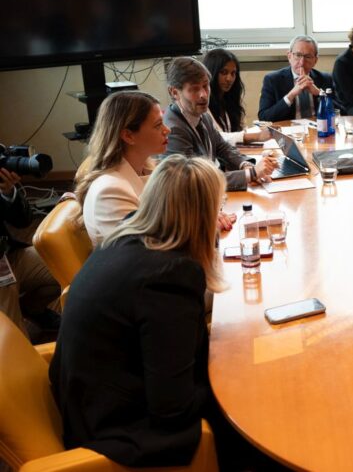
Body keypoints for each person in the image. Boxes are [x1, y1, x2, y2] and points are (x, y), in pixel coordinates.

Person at [50, 156, 275, 470]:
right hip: (121, 427)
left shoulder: (126, 238)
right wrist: (234, 383)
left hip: (89, 396)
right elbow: (173, 409)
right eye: (217, 204)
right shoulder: (168, 277)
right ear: (200, 214)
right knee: (261, 406)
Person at [163, 57, 276, 192]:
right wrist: (251, 174)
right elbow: (195, 181)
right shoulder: (173, 130)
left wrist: (245, 165)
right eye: (194, 89)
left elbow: (221, 147)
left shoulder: (202, 115)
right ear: (174, 92)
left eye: (206, 86)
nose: (204, 95)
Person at [74, 91, 170, 245]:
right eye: (158, 125)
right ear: (128, 136)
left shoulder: (145, 168)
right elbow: (145, 249)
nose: (167, 130)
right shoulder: (111, 191)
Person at [0, 167, 60, 339]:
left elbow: (24, 221)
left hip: (8, 256)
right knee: (14, 341)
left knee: (68, 263)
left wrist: (8, 192)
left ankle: (32, 308)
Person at [258, 35, 333, 122]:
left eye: (308, 56)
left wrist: (319, 93)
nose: (302, 62)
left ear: (315, 60)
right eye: (298, 55)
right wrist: (291, 95)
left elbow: (341, 111)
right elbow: (264, 117)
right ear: (289, 56)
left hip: (319, 130)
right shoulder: (272, 80)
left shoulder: (326, 78)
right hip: (288, 131)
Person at [202, 48, 258, 145]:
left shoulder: (231, 100)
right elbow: (215, 137)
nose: (229, 79)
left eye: (233, 73)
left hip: (233, 155)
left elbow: (241, 130)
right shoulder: (202, 103)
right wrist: (257, 136)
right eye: (224, 72)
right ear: (211, 73)